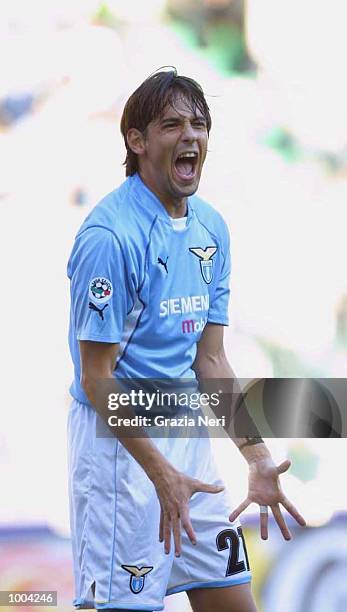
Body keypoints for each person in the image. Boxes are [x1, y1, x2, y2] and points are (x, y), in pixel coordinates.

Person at [67, 68, 306, 612]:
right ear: (137, 140)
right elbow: (95, 378)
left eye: (199, 124)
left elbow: (212, 359)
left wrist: (257, 456)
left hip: (188, 448)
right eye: (173, 124)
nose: (191, 136)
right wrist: (159, 473)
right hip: (120, 458)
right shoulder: (109, 238)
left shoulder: (211, 229)